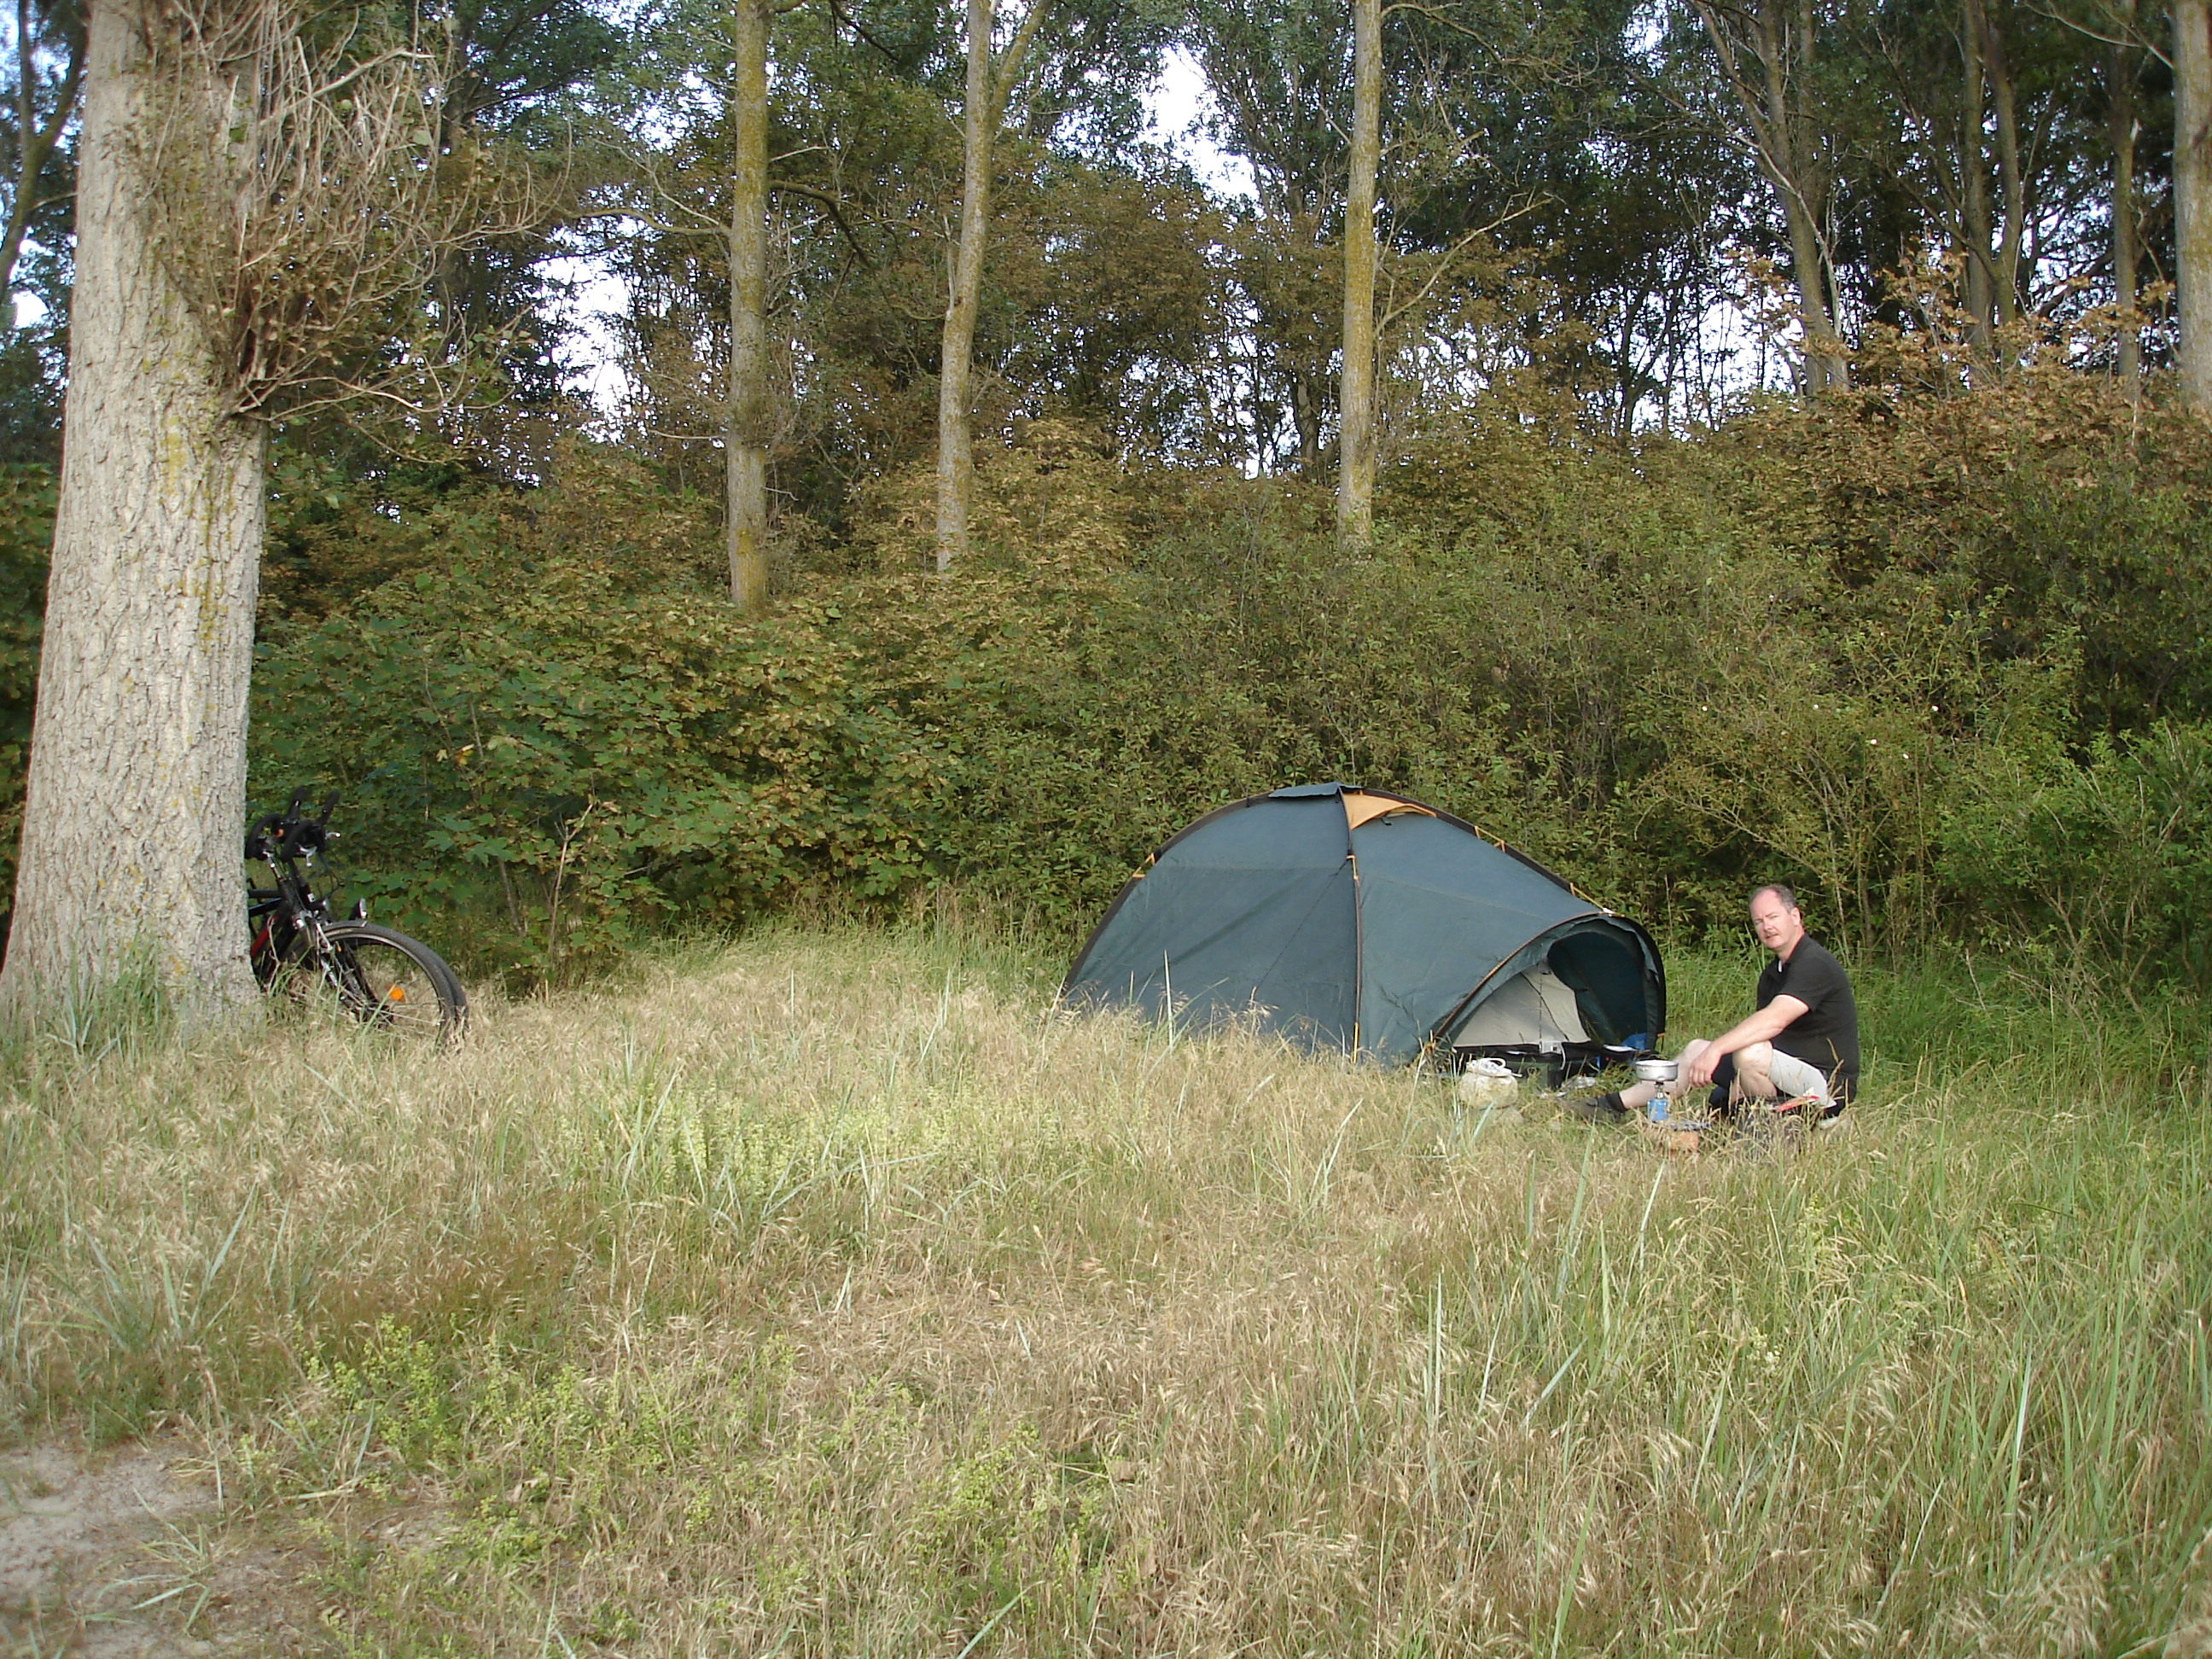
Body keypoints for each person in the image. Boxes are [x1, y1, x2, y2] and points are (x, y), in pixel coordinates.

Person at [1570, 883, 1859, 1126]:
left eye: (1773, 917)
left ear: (1795, 916)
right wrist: (1726, 1086)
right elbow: (1768, 1039)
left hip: (1826, 1087)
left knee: (1748, 1053)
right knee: (1698, 1048)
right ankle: (1609, 1107)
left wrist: (1719, 1049)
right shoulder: (1773, 974)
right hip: (1784, 1074)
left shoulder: (1815, 963)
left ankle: (1779, 1125)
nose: (1767, 926)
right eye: (1759, 921)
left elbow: (1774, 1021)